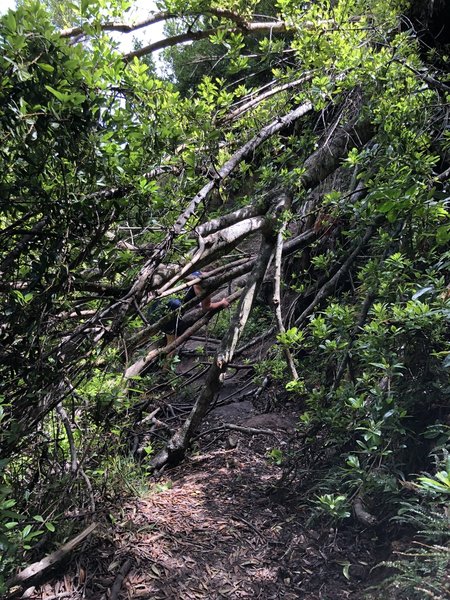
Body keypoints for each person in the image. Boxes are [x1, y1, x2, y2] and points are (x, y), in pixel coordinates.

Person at [149, 271, 229, 350]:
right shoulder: (205, 284)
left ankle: (148, 352)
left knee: (150, 333)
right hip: (171, 309)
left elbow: (188, 293)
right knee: (172, 345)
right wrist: (222, 303)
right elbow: (207, 307)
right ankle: (159, 360)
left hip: (156, 305)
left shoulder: (192, 273)